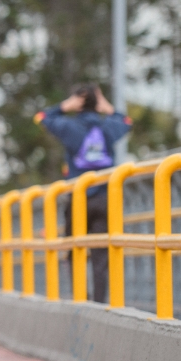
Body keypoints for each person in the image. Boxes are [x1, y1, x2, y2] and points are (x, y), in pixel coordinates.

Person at [35, 84, 132, 303]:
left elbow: (41, 117)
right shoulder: (109, 127)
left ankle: (80, 297)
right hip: (105, 198)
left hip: (78, 197)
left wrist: (64, 105)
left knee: (74, 249)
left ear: (77, 103)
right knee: (101, 254)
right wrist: (107, 107)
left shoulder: (68, 127)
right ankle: (99, 302)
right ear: (97, 103)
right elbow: (127, 122)